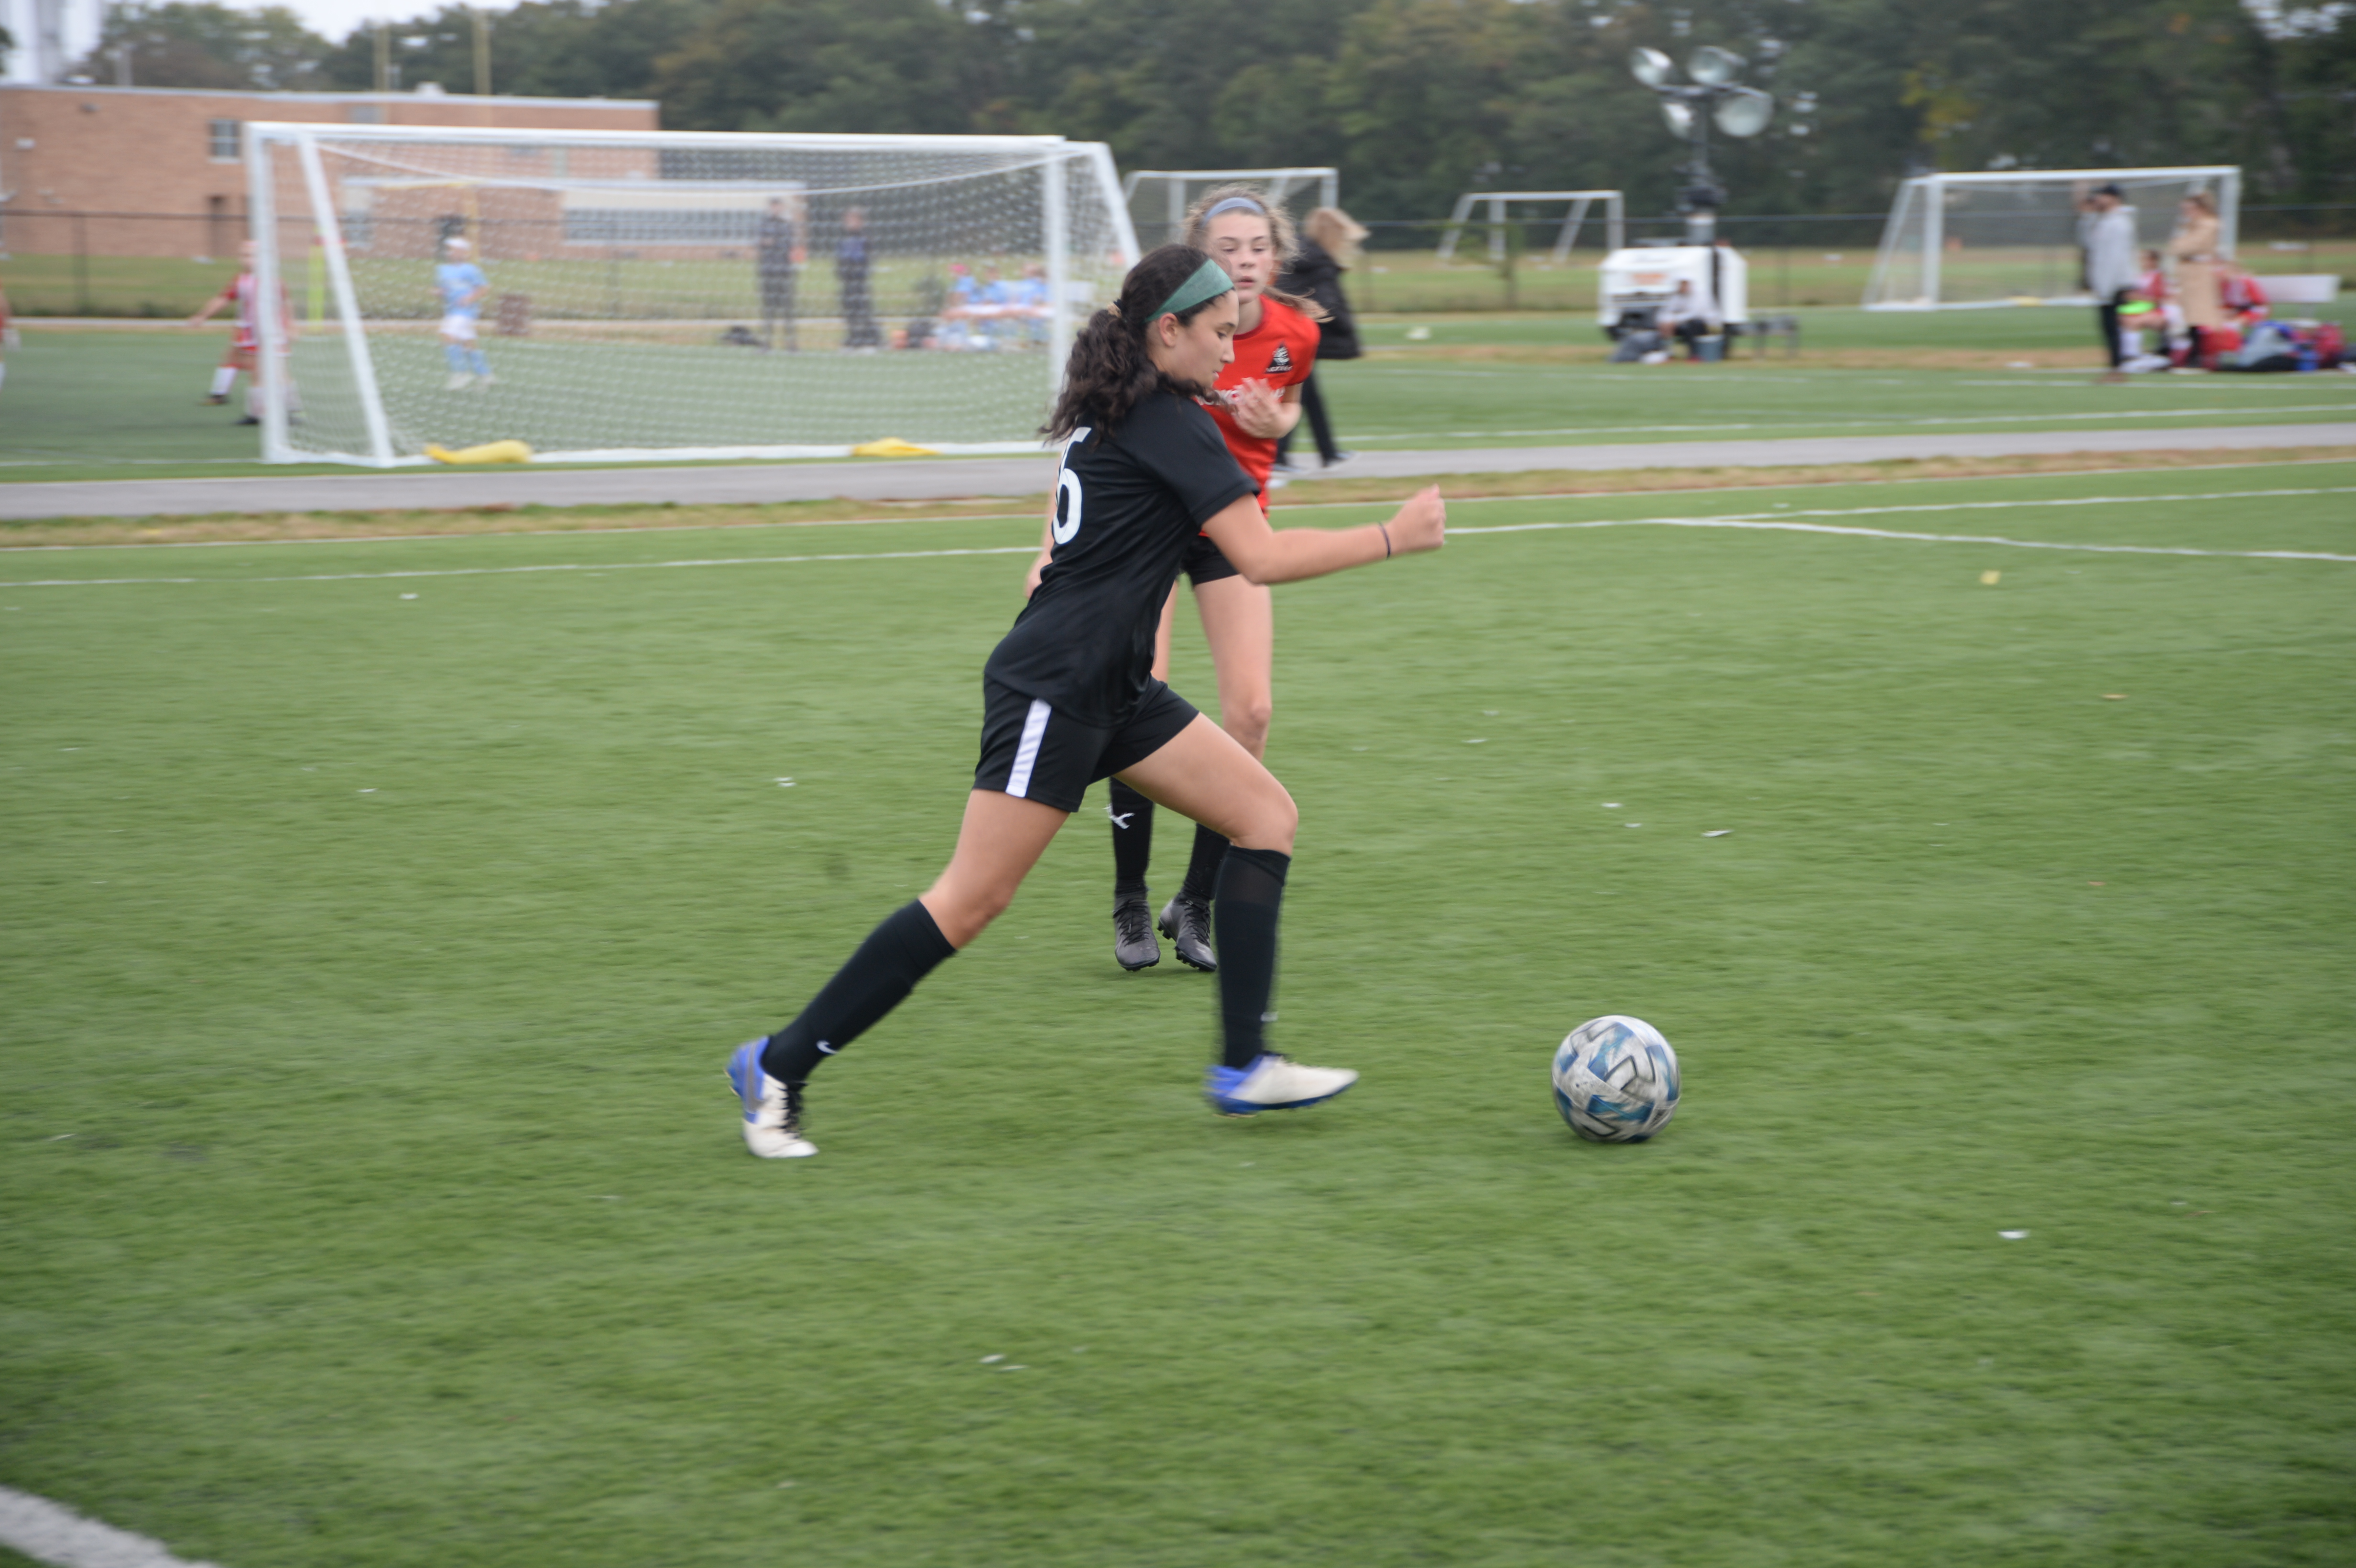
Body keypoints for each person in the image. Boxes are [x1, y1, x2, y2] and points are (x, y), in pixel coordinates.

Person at [724, 243, 1447, 1157]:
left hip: (1115, 688)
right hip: (1055, 690)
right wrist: (1393, 535)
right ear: (1167, 331)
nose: (1232, 350)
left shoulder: (1140, 404)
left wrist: (1254, 426)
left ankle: (1243, 1067)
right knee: (971, 900)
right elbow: (1258, 558)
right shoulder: (1168, 419)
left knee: (1264, 817)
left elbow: (1196, 495)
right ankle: (777, 1066)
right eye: (1220, 333)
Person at [1028, 185, 1322, 973]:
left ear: (1276, 256)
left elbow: (1288, 407)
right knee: (1135, 694)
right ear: (1199, 260)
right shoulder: (1160, 324)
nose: (1245, 261)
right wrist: (1053, 547)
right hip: (1146, 534)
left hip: (1232, 531)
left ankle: (1195, 900)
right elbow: (1096, 435)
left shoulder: (1295, 331)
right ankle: (1129, 895)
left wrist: (1279, 423)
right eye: (1228, 248)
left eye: (1258, 247)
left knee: (1251, 712)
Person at [1275, 206, 1367, 472]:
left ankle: (1328, 453)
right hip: (1300, 337)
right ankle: (1279, 457)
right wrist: (1346, 330)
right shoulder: (1321, 262)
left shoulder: (1297, 257)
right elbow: (1328, 304)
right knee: (1299, 396)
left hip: (1284, 332)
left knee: (1310, 397)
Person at [2075, 182, 2138, 383]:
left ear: (2114, 198)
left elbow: (2116, 258)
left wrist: (2107, 288)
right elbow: (2088, 244)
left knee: (2114, 327)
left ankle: (2117, 369)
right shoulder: (2103, 222)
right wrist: (2087, 217)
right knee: (2108, 327)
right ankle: (2115, 367)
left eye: (2103, 196)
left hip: (2115, 283)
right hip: (2105, 283)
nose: (2098, 200)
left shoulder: (2119, 223)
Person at [2167, 191, 2224, 365]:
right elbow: (2174, 247)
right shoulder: (2190, 226)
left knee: (2200, 313)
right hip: (2188, 273)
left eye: (2190, 209)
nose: (2186, 213)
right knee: (2188, 313)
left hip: (2199, 273)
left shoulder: (2208, 225)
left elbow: (2188, 246)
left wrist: (2180, 245)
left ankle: (2200, 352)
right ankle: (2190, 351)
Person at [435, 236, 493, 391]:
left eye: (456, 250)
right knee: (469, 343)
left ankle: (461, 373)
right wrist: (439, 292)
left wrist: (470, 298)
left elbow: (484, 288)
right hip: (452, 311)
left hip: (466, 312)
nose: (452, 253)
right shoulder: (442, 270)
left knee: (447, 335)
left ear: (464, 252)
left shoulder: (470, 269)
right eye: (450, 250)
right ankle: (485, 375)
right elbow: (443, 288)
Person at [754, 195, 804, 352]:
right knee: (768, 310)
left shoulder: (787, 225)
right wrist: (767, 243)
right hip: (768, 271)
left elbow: (788, 244)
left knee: (788, 310)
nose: (776, 209)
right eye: (773, 206)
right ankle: (766, 344)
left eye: (778, 206)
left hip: (784, 271)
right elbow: (758, 243)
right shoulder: (764, 224)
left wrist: (772, 242)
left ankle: (791, 344)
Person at [837, 207, 879, 351]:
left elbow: (869, 259)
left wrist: (860, 271)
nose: (850, 223)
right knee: (849, 312)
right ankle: (852, 339)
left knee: (862, 311)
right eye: (848, 219)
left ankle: (867, 340)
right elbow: (839, 258)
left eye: (853, 219)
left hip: (860, 281)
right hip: (847, 281)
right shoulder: (843, 239)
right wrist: (841, 272)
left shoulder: (865, 238)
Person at [1658, 277, 1722, 360]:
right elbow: (1668, 311)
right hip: (1685, 323)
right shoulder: (1677, 296)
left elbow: (1696, 314)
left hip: (1706, 324)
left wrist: (1674, 320)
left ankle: (1694, 355)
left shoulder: (1700, 295)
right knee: (1665, 327)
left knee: (1692, 326)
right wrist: (1667, 321)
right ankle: (1667, 353)